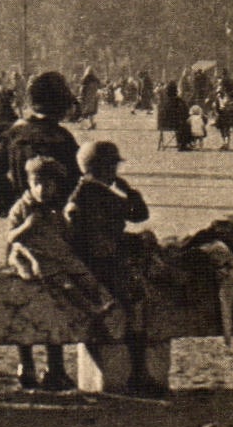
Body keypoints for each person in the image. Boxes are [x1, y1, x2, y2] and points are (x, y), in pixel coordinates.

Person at [7, 156, 120, 389]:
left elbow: (66, 237)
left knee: (83, 276)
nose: (42, 189)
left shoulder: (53, 210)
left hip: (58, 257)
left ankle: (103, 305)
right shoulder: (21, 208)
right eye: (37, 183)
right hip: (32, 259)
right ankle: (93, 309)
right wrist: (28, 226)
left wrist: (68, 225)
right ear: (29, 183)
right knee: (60, 289)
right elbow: (11, 239)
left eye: (48, 185)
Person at [2, 71, 83, 390]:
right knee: (55, 293)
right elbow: (76, 178)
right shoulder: (61, 139)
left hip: (20, 217)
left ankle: (25, 366)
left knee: (23, 294)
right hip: (51, 223)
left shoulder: (15, 132)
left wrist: (12, 200)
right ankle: (56, 368)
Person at [66, 141, 166, 397]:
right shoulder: (99, 195)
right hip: (105, 264)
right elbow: (138, 214)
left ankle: (138, 373)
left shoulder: (83, 193)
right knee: (137, 305)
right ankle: (138, 374)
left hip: (98, 260)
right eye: (112, 166)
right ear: (102, 168)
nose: (115, 172)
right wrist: (130, 191)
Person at [157, 80, 192, 150]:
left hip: (162, 124)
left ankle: (181, 143)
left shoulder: (163, 100)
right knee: (186, 124)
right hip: (174, 124)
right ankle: (183, 144)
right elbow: (185, 111)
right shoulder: (178, 100)